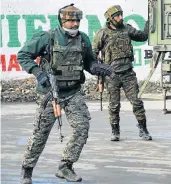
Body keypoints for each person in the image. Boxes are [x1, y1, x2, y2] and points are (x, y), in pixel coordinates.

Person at [18, 4, 115, 183]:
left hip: (73, 92)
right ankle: (27, 169)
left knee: (82, 127)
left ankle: (65, 166)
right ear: (62, 21)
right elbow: (23, 55)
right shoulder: (47, 37)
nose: (74, 24)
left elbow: (88, 63)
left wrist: (98, 68)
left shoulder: (83, 39)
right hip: (50, 94)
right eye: (70, 20)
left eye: (77, 20)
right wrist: (38, 73)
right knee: (40, 133)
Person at [92, 5, 152, 141]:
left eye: (121, 15)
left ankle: (143, 129)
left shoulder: (127, 28)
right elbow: (94, 53)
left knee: (136, 102)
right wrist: (99, 73)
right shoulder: (102, 33)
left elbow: (143, 36)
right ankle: (115, 131)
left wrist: (150, 21)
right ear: (110, 19)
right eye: (117, 16)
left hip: (128, 74)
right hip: (111, 75)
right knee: (114, 105)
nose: (120, 18)